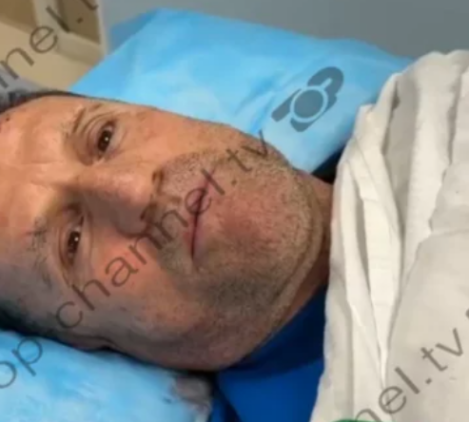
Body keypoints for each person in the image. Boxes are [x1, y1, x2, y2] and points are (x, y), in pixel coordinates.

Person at [1, 50, 469, 422]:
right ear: (83, 337)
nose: (134, 189)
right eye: (73, 242)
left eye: (104, 137)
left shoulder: (440, 106)